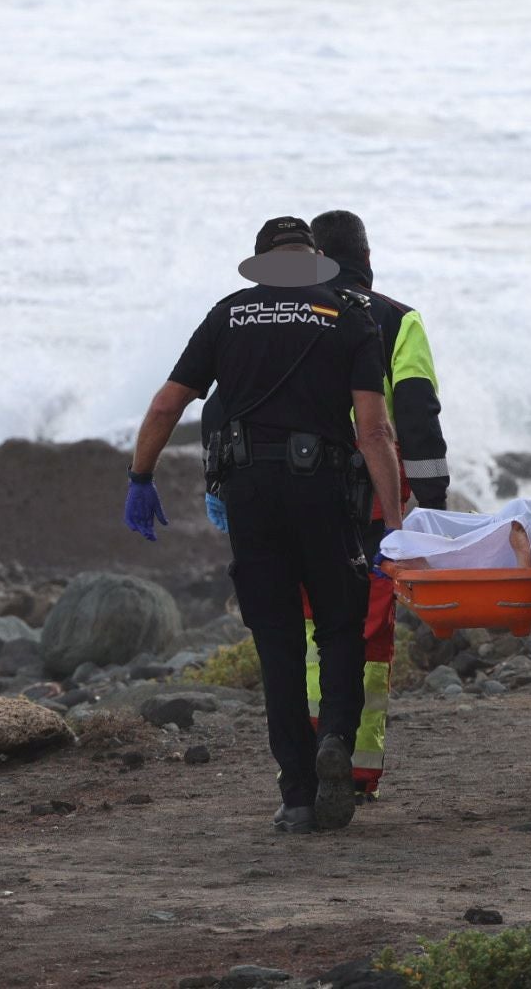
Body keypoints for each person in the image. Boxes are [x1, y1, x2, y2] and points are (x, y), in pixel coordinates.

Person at [123, 215, 404, 835]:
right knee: (339, 627)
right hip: (323, 490)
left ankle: (298, 795)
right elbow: (374, 430)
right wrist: (398, 522)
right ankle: (335, 734)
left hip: (250, 493)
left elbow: (170, 402)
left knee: (277, 642)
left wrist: (141, 476)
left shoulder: (229, 315)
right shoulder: (349, 316)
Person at [202, 209, 449, 801]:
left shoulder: (267, 315)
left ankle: (305, 767)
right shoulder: (392, 319)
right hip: (365, 508)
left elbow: (221, 403)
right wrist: (433, 512)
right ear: (367, 259)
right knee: (361, 638)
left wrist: (216, 489)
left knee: (296, 631)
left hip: (277, 496)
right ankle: (353, 767)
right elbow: (413, 414)